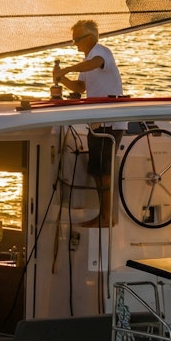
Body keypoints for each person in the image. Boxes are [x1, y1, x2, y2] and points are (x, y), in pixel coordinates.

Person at [53, 19, 126, 227]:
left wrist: (66, 69)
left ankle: (106, 217)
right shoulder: (88, 59)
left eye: (77, 39)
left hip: (110, 121)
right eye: (73, 40)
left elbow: (95, 64)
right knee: (95, 169)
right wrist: (62, 78)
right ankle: (104, 215)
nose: (75, 44)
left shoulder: (101, 52)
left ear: (91, 38)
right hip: (98, 121)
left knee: (103, 169)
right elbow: (81, 86)